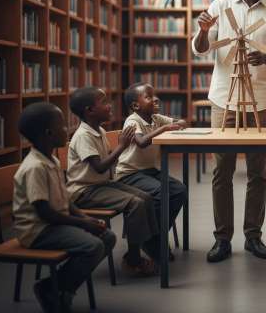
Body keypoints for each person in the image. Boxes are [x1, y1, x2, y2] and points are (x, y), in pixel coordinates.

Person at [192, 0, 266, 262]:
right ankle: (222, 239)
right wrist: (203, 30)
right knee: (221, 171)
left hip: (259, 101)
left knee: (258, 172)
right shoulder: (220, 6)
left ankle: (253, 236)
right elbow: (200, 50)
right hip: (224, 98)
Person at [13, 102, 116, 312]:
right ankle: (55, 289)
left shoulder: (50, 158)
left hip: (54, 223)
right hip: (38, 230)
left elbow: (65, 200)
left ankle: (56, 286)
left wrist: (85, 218)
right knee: (93, 246)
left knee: (107, 237)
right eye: (61, 126)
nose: (66, 130)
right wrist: (84, 224)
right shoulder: (35, 167)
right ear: (49, 133)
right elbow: (45, 212)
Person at [67, 86, 159, 276]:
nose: (110, 106)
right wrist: (122, 146)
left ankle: (148, 246)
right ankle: (133, 259)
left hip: (100, 185)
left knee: (146, 197)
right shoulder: (83, 136)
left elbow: (106, 163)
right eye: (104, 103)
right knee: (135, 203)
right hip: (84, 191)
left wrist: (119, 149)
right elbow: (99, 167)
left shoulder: (98, 130)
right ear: (89, 111)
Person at [116, 82, 187, 261]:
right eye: (148, 97)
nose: (155, 98)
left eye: (154, 95)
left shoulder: (155, 118)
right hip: (129, 174)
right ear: (135, 106)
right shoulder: (133, 120)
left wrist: (178, 124)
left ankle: (154, 236)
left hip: (148, 171)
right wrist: (163, 129)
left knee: (179, 190)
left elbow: (181, 123)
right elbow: (140, 142)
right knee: (160, 192)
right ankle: (154, 241)